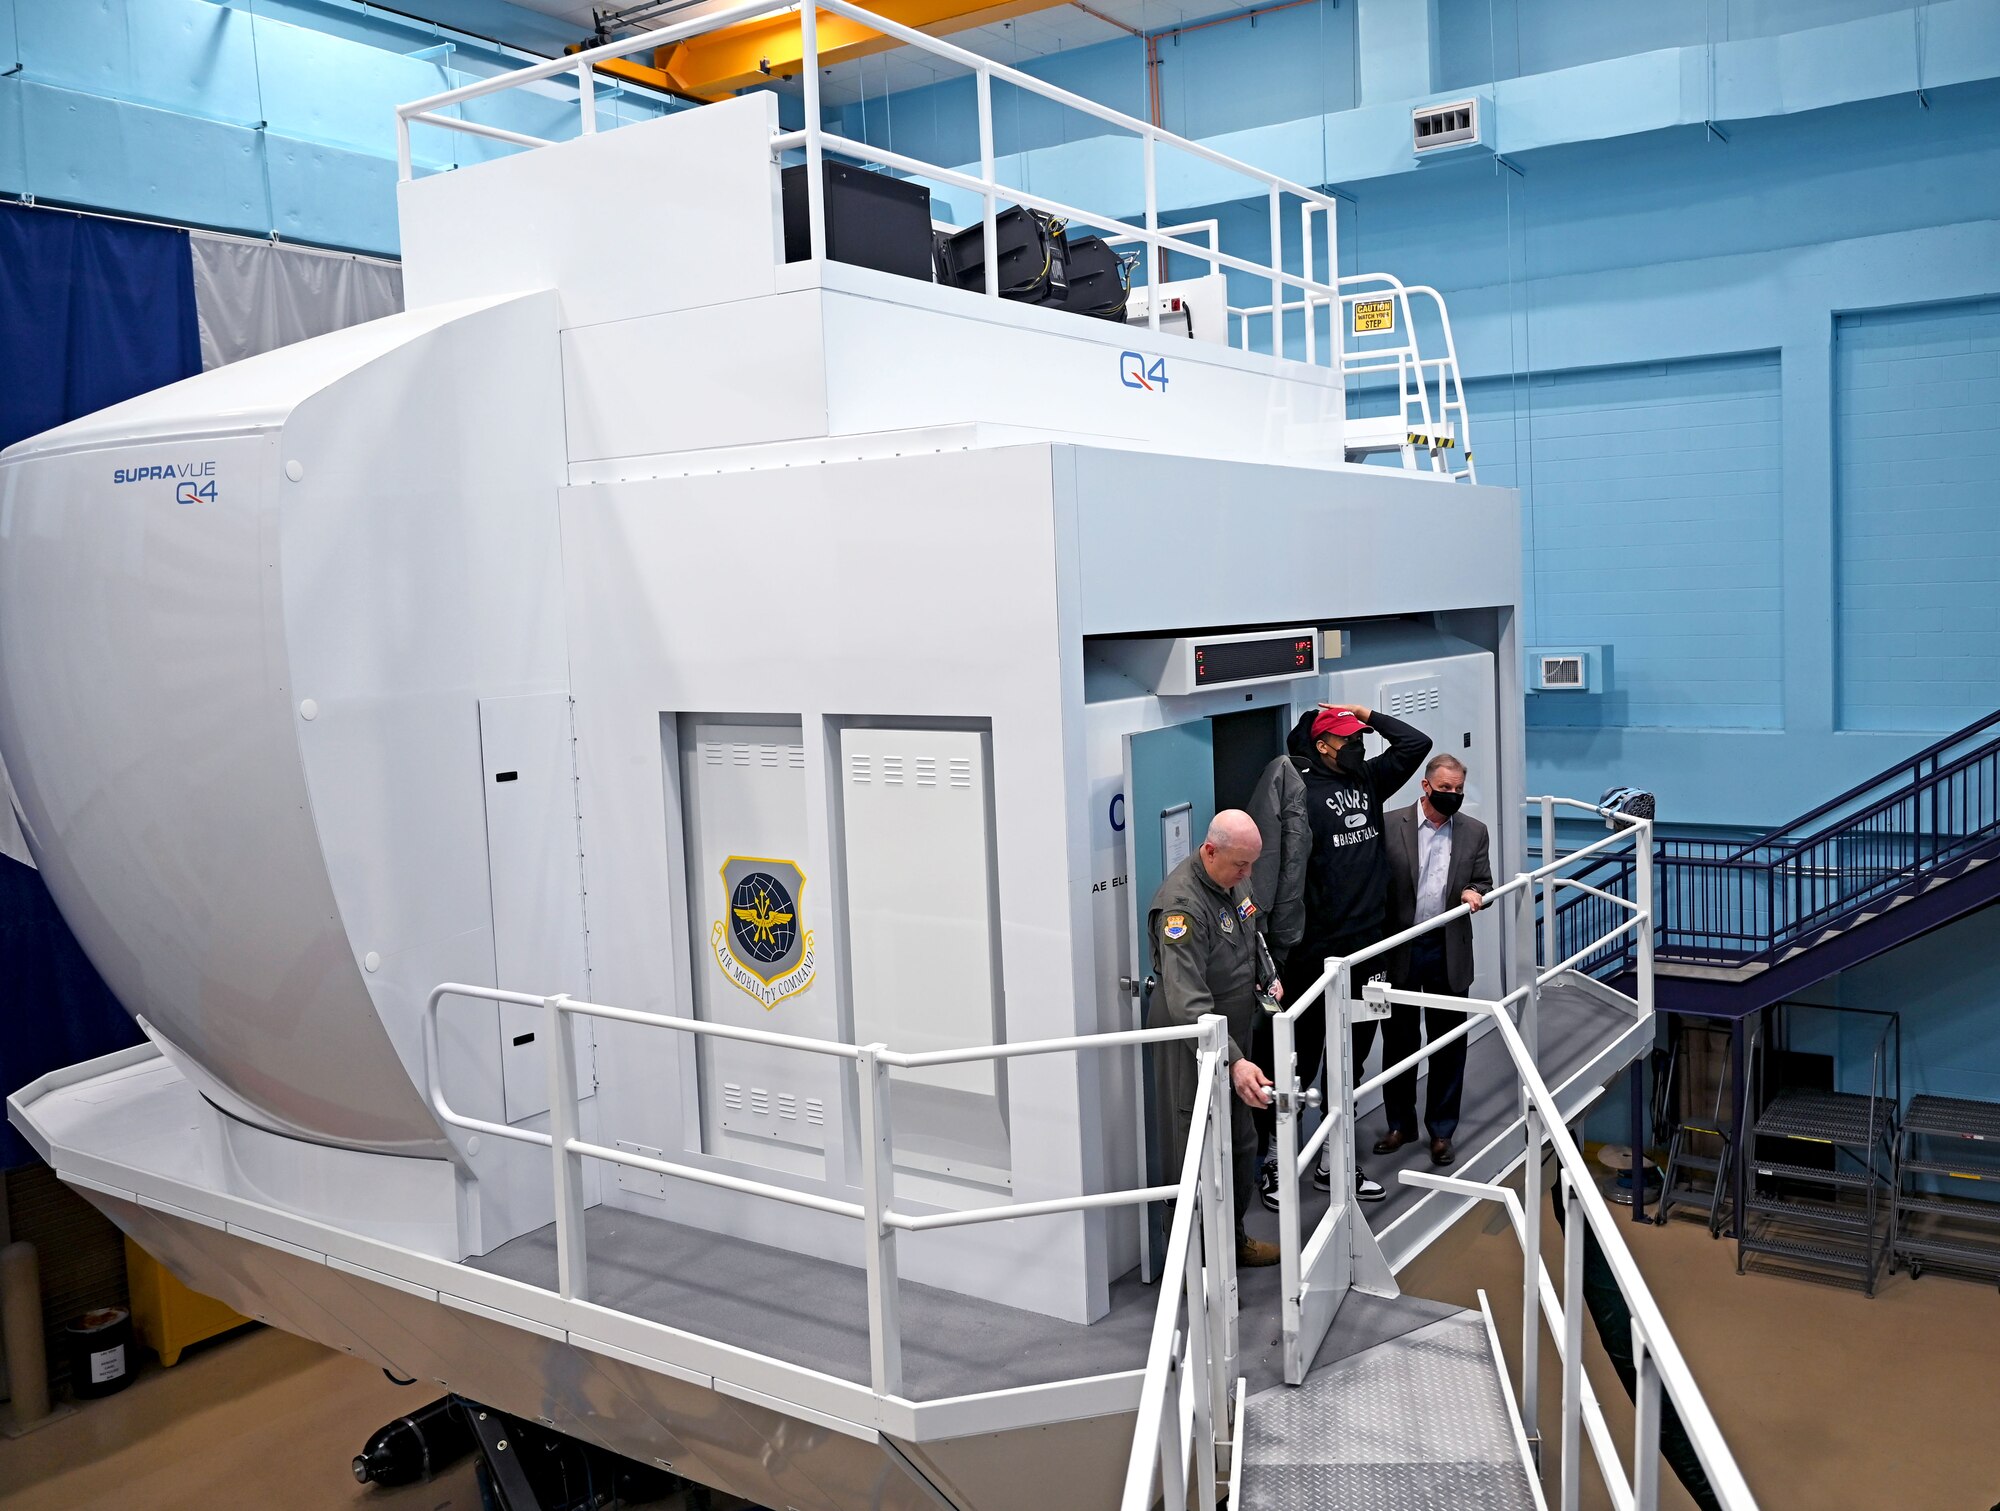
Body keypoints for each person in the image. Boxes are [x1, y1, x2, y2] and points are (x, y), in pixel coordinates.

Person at [1269, 702, 1432, 1207]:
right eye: (1348, 738)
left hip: (1369, 946)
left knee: (1352, 1059)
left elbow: (1416, 744)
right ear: (1322, 746)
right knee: (1299, 1058)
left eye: (1359, 737)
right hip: (1316, 953)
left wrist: (1368, 714)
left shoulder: (1367, 778)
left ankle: (1333, 1161)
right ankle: (1277, 1162)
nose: (1359, 745)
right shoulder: (1300, 793)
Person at [1147, 810, 1283, 1266]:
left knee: (1241, 1145)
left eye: (1251, 865)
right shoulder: (1182, 908)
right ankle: (1192, 1268)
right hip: (1194, 1045)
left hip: (1232, 1037)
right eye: (1241, 865)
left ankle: (1232, 1242)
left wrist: (1267, 976)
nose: (1248, 875)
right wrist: (1237, 1061)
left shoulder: (1233, 877)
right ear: (1210, 851)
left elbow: (1252, 935)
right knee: (1195, 1151)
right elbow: (1189, 1002)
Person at [1378, 754, 1493, 1167]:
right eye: (1445, 789)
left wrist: (1473, 892)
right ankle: (1400, 1125)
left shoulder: (1474, 832)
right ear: (1425, 787)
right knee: (1399, 1040)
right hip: (1401, 948)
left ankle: (1442, 1132)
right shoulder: (1391, 824)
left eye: (1459, 790)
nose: (1453, 796)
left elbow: (1483, 879)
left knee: (1448, 1044)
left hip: (1448, 949)